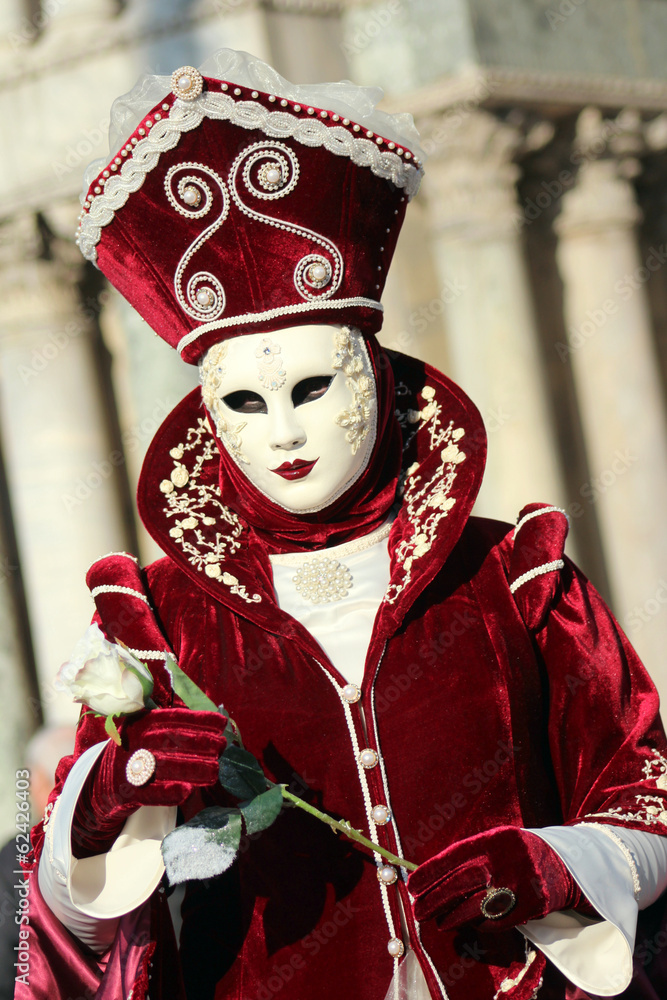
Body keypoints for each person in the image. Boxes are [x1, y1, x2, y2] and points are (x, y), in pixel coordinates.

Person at [16, 49, 667, 1000]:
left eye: (313, 387)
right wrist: (102, 808)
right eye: (242, 401)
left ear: (377, 370)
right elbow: (72, 928)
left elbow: (645, 786)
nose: (282, 433)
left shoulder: (514, 579)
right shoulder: (155, 621)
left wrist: (559, 865)